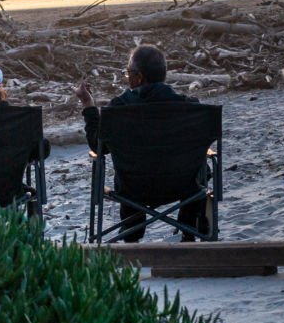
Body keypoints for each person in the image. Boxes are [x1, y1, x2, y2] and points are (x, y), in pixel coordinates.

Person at [75, 44, 199, 242]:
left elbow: (97, 146)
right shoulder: (190, 108)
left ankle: (131, 235)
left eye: (128, 73)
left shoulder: (120, 109)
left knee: (132, 173)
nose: (127, 78)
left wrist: (88, 106)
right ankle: (189, 229)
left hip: (133, 189)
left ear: (139, 77)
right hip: (182, 185)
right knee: (200, 169)